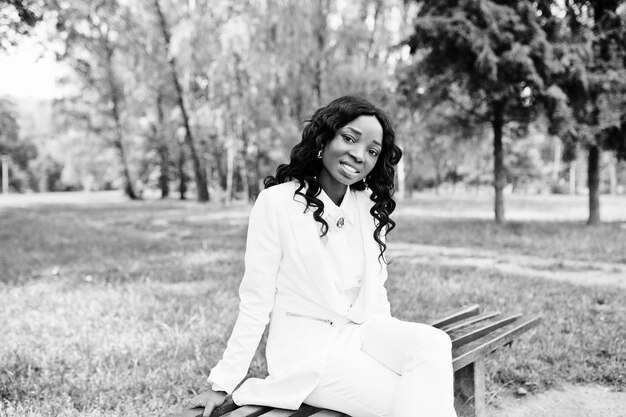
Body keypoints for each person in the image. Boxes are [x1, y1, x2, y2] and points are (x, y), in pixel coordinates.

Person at [189, 96, 457, 417]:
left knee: (433, 344)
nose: (359, 155)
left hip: (362, 331)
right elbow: (256, 301)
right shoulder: (276, 203)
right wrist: (222, 383)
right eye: (349, 138)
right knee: (408, 400)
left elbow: (376, 291)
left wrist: (390, 347)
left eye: (372, 151)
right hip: (309, 349)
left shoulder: (368, 204)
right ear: (323, 138)